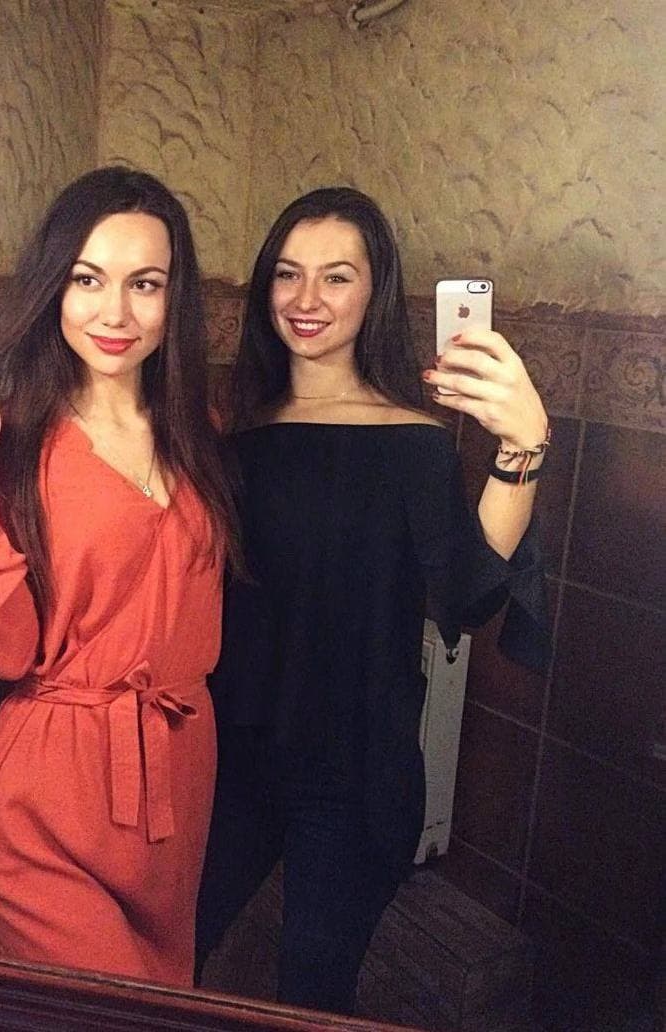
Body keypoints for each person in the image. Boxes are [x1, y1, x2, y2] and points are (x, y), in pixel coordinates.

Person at [195, 187, 550, 1014]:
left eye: (337, 276)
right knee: (167, 955)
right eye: (288, 273)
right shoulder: (230, 435)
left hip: (354, 774)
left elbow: (468, 596)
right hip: (232, 755)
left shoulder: (413, 442)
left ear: (374, 290)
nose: (307, 298)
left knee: (312, 995)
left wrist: (522, 447)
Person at [0, 166, 240, 985]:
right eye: (88, 279)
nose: (115, 313)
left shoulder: (200, 432)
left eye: (145, 284)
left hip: (176, 777)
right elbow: (3, 653)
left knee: (162, 999)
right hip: (46, 800)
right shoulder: (15, 442)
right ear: (54, 287)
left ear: (175, 299)